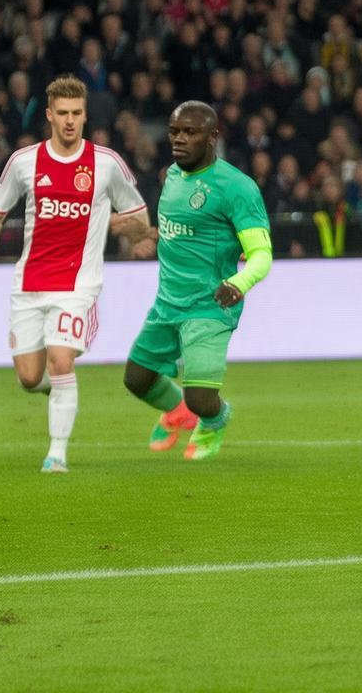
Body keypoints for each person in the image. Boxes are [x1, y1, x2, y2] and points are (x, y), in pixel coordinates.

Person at [0, 76, 152, 473]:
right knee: (29, 378)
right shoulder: (24, 162)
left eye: (76, 113)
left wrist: (127, 228)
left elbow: (139, 216)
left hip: (78, 286)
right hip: (29, 284)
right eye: (63, 113)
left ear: (85, 115)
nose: (70, 121)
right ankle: (59, 391)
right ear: (49, 115)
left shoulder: (106, 163)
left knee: (60, 359)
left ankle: (56, 454)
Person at [122, 101, 272, 460]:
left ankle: (216, 419)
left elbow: (262, 254)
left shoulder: (237, 187)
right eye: (175, 131)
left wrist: (239, 282)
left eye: (190, 132)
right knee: (136, 379)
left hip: (210, 304)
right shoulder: (173, 175)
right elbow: (183, 231)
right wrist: (151, 237)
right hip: (168, 302)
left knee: (201, 398)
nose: (179, 139)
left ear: (213, 137)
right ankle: (178, 413)